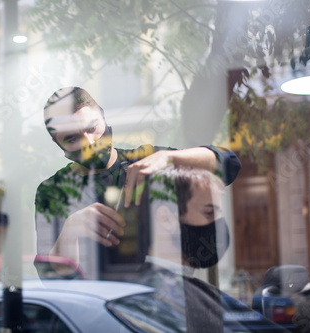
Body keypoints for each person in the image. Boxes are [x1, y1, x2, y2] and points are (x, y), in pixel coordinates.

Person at [34, 87, 240, 270]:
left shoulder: (146, 160)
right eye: (71, 138)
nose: (89, 143)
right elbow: (51, 275)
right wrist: (71, 230)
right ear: (57, 143)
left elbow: (228, 164)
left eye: (92, 128)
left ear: (104, 118)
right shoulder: (53, 190)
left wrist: (170, 158)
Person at [135, 166, 229, 332]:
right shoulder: (157, 296)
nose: (219, 226)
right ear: (166, 219)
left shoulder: (181, 288)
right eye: (209, 213)